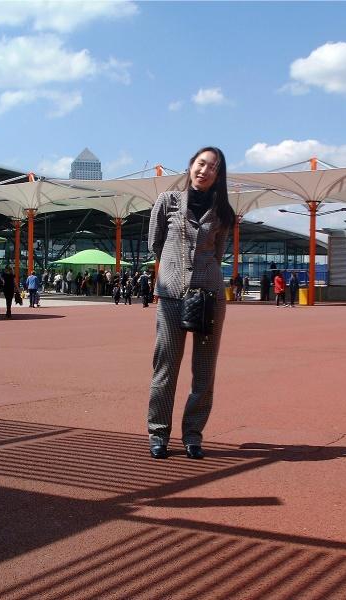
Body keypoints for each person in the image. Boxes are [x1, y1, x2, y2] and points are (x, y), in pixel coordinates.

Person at [147, 146, 235, 460]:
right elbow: (155, 243)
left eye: (213, 167)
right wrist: (175, 271)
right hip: (171, 295)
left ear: (218, 175)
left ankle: (193, 435)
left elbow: (218, 253)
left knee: (204, 371)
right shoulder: (167, 201)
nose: (205, 170)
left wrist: (200, 274)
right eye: (201, 163)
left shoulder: (223, 212)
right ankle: (158, 433)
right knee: (166, 367)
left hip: (210, 297)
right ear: (190, 166)